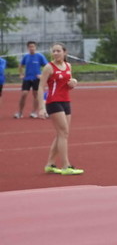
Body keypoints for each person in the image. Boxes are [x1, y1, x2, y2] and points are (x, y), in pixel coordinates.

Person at [38, 42, 83, 175]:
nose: (56, 53)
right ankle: (66, 166)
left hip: (66, 101)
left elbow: (68, 84)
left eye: (58, 51)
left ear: (65, 52)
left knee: (62, 134)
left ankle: (50, 164)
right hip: (53, 102)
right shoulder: (48, 67)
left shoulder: (68, 65)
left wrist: (73, 83)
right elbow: (40, 87)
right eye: (54, 51)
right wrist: (41, 107)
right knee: (63, 133)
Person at [15, 41, 48, 119]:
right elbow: (20, 65)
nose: (32, 48)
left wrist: (42, 75)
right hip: (27, 78)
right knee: (24, 94)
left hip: (36, 79)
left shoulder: (40, 56)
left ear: (35, 47)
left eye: (33, 46)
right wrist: (21, 74)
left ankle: (34, 112)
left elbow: (47, 66)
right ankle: (20, 112)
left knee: (36, 95)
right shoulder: (26, 56)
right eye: (30, 47)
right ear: (28, 48)